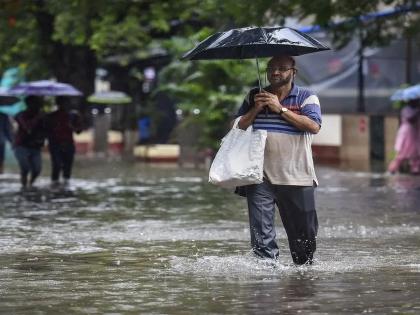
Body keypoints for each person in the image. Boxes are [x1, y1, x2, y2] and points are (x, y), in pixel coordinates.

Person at [235, 55, 321, 265]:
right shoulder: (254, 95)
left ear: (294, 72)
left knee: (304, 240)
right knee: (261, 237)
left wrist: (279, 109)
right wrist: (256, 108)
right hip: (258, 176)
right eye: (271, 68)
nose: (275, 72)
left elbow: (313, 126)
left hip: (297, 176)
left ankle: (302, 281)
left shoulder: (306, 97)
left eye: (282, 68)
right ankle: (266, 280)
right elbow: (237, 127)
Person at [45, 96, 82, 187]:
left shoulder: (73, 116)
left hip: (68, 144)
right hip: (55, 144)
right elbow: (46, 130)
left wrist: (72, 126)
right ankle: (54, 184)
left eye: (66, 103)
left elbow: (79, 131)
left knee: (67, 167)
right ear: (58, 104)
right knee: (56, 165)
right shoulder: (51, 116)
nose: (64, 105)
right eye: (62, 103)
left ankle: (65, 185)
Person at [13, 95, 46, 189]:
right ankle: (24, 186)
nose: (38, 105)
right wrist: (38, 118)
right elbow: (28, 128)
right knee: (25, 168)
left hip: (36, 146)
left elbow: (47, 129)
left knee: (37, 170)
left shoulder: (42, 116)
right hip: (21, 146)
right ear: (29, 104)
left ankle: (30, 185)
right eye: (36, 103)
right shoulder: (21, 115)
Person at [387, 101, 419, 174]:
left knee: (415, 152)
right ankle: (392, 168)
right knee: (399, 150)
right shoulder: (406, 109)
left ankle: (415, 169)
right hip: (406, 132)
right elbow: (410, 118)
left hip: (414, 133)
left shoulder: (416, 109)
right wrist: (417, 112)